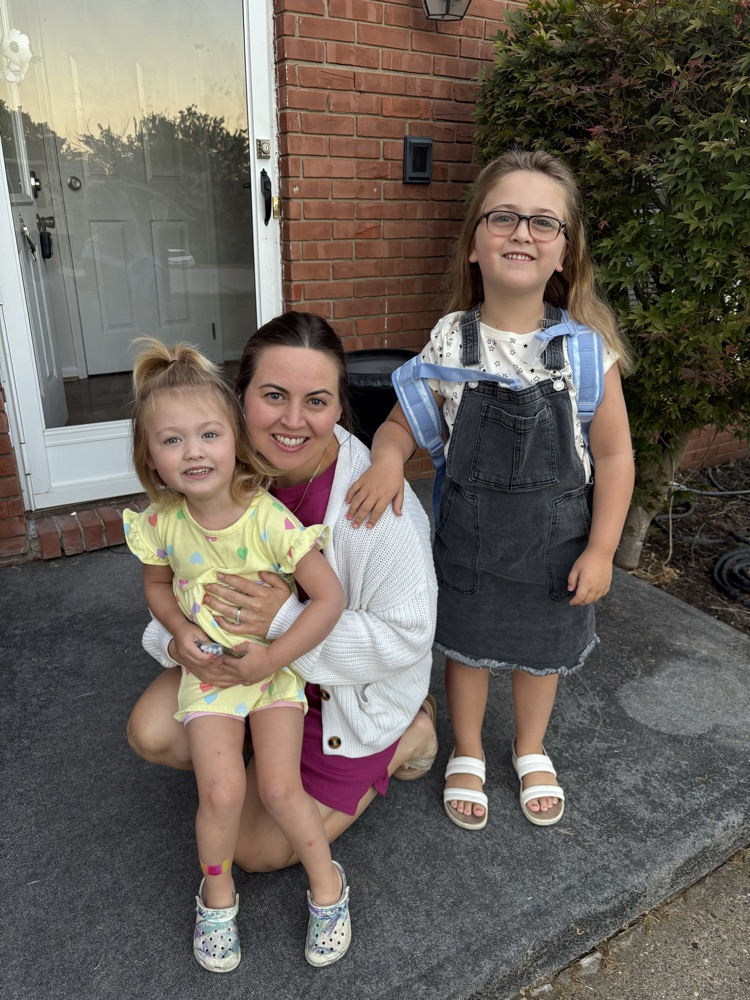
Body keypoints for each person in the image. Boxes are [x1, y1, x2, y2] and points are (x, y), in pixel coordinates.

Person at [345, 149, 634, 831]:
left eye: (543, 222)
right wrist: (388, 459)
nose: (522, 233)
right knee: (467, 652)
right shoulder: (449, 341)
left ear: (565, 253)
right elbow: (397, 423)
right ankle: (468, 749)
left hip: (556, 550)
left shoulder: (588, 352)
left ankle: (530, 746)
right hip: (469, 548)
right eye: (504, 217)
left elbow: (616, 454)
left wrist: (602, 548)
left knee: (542, 656)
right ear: (475, 242)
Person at [125, 314, 439, 928]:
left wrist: (282, 621)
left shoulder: (378, 506)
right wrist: (178, 639)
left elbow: (407, 638)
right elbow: (178, 580)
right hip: (243, 669)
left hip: (347, 690)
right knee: (152, 731)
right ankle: (252, 757)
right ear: (238, 397)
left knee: (258, 850)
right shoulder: (211, 466)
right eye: (273, 396)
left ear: (339, 409)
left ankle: (410, 734)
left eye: (316, 402)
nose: (293, 421)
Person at [123, 337, 349, 973]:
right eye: (172, 441)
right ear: (152, 458)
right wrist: (174, 632)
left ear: (235, 439)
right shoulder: (163, 521)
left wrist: (273, 659)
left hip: (272, 677)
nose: (193, 452)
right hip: (211, 677)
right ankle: (217, 895)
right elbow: (157, 585)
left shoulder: (268, 520)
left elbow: (328, 600)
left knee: (279, 790)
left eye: (208, 434)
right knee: (220, 793)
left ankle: (327, 886)